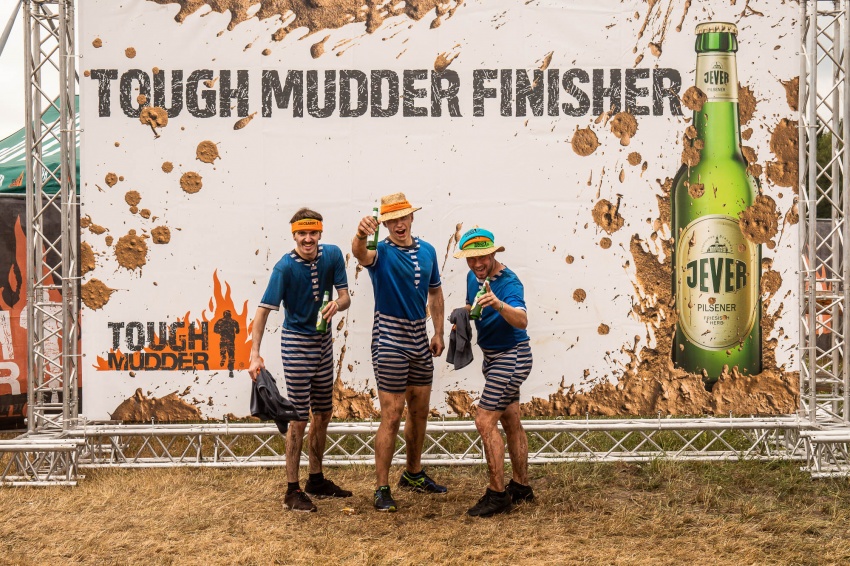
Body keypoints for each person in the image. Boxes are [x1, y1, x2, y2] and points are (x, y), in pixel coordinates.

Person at [249, 208, 352, 513]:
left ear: (320, 233)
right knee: (298, 417)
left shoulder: (333, 255)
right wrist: (254, 354)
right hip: (296, 343)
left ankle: (315, 480)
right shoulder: (284, 267)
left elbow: (345, 297)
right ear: (293, 235)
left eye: (313, 232)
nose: (308, 239)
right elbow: (263, 311)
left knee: (323, 412)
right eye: (302, 233)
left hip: (323, 342)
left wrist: (337, 304)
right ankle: (291, 490)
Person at [352, 192, 446, 512]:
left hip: (419, 338)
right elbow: (359, 253)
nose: (398, 224)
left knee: (419, 412)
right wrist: (360, 234)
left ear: (411, 217)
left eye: (402, 217)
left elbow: (435, 292)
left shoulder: (428, 250)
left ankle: (413, 474)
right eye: (391, 220)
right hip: (389, 340)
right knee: (392, 415)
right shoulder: (380, 251)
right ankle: (381, 488)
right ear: (385, 224)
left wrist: (438, 332)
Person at [454, 227, 534, 517]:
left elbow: (522, 320)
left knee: (484, 421)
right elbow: (472, 304)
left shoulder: (509, 282)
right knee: (511, 420)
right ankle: (521, 487)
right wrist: (461, 316)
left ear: (493, 254)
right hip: (493, 357)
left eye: (483, 257)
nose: (477, 263)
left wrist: (498, 304)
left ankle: (497, 494)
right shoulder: (473, 276)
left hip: (512, 356)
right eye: (471, 258)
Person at [213, 310, 240, 377]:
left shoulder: (221, 321)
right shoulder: (233, 321)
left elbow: (215, 330)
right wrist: (223, 330)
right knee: (230, 355)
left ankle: (227, 364)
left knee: (226, 353)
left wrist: (221, 331)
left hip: (225, 341)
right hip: (229, 341)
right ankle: (230, 368)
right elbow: (237, 331)